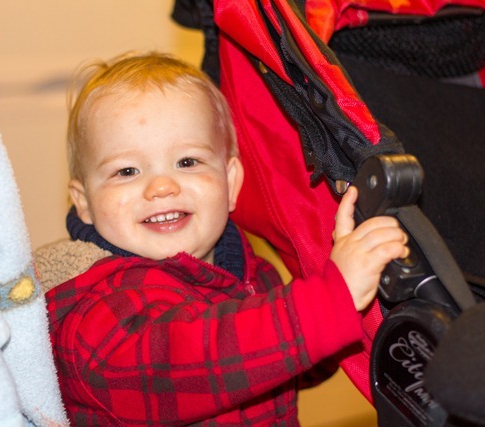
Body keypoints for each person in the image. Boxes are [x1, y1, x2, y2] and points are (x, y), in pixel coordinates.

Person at [45, 51, 409, 426]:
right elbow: (196, 360)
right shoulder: (101, 309)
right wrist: (330, 298)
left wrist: (351, 295)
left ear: (231, 182)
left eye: (187, 162)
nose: (161, 186)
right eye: (126, 171)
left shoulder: (253, 275)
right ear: (84, 202)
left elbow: (282, 366)